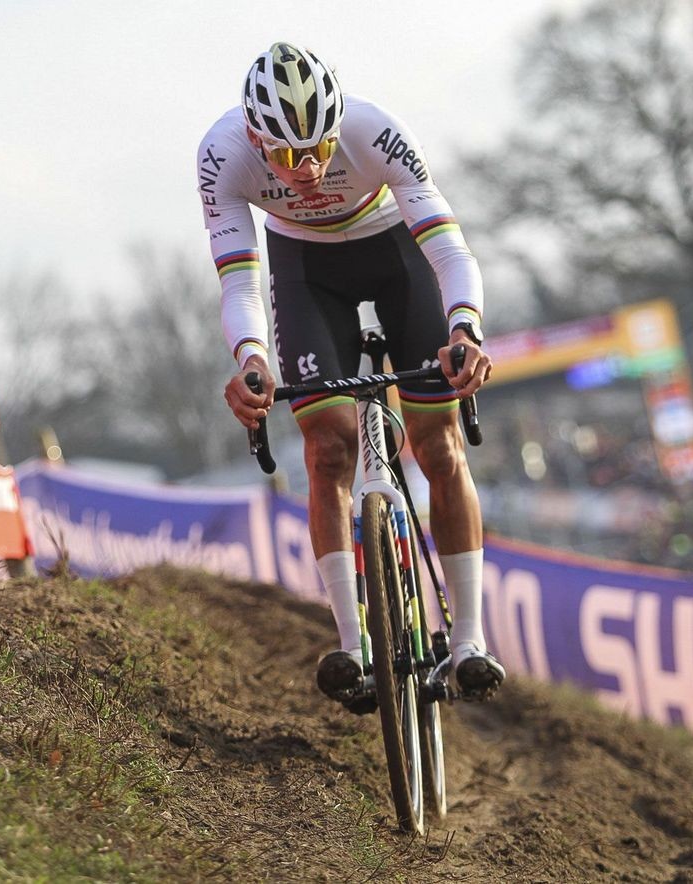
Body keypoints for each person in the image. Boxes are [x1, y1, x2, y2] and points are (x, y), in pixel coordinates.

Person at [197, 41, 505, 712]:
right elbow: (241, 279)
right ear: (255, 137)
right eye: (284, 156)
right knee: (327, 448)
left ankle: (470, 641)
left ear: (339, 127)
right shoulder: (221, 156)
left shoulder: (376, 131)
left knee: (439, 445)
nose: (305, 170)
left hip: (395, 253)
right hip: (308, 274)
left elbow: (449, 248)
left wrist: (464, 329)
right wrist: (250, 358)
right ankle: (353, 642)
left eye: (318, 149)